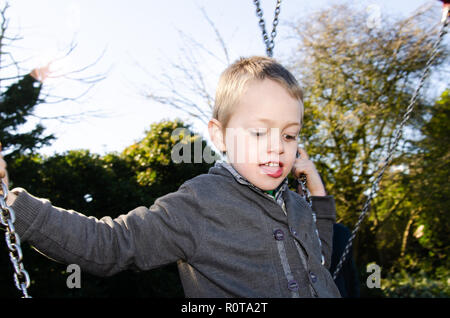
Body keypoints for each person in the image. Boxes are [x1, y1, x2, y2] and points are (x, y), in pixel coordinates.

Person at [0, 56, 340, 298]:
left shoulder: (295, 204)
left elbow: (320, 258)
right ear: (220, 136)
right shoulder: (201, 204)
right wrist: (15, 205)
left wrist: (315, 189)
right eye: (258, 133)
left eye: (289, 135)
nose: (277, 148)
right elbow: (112, 244)